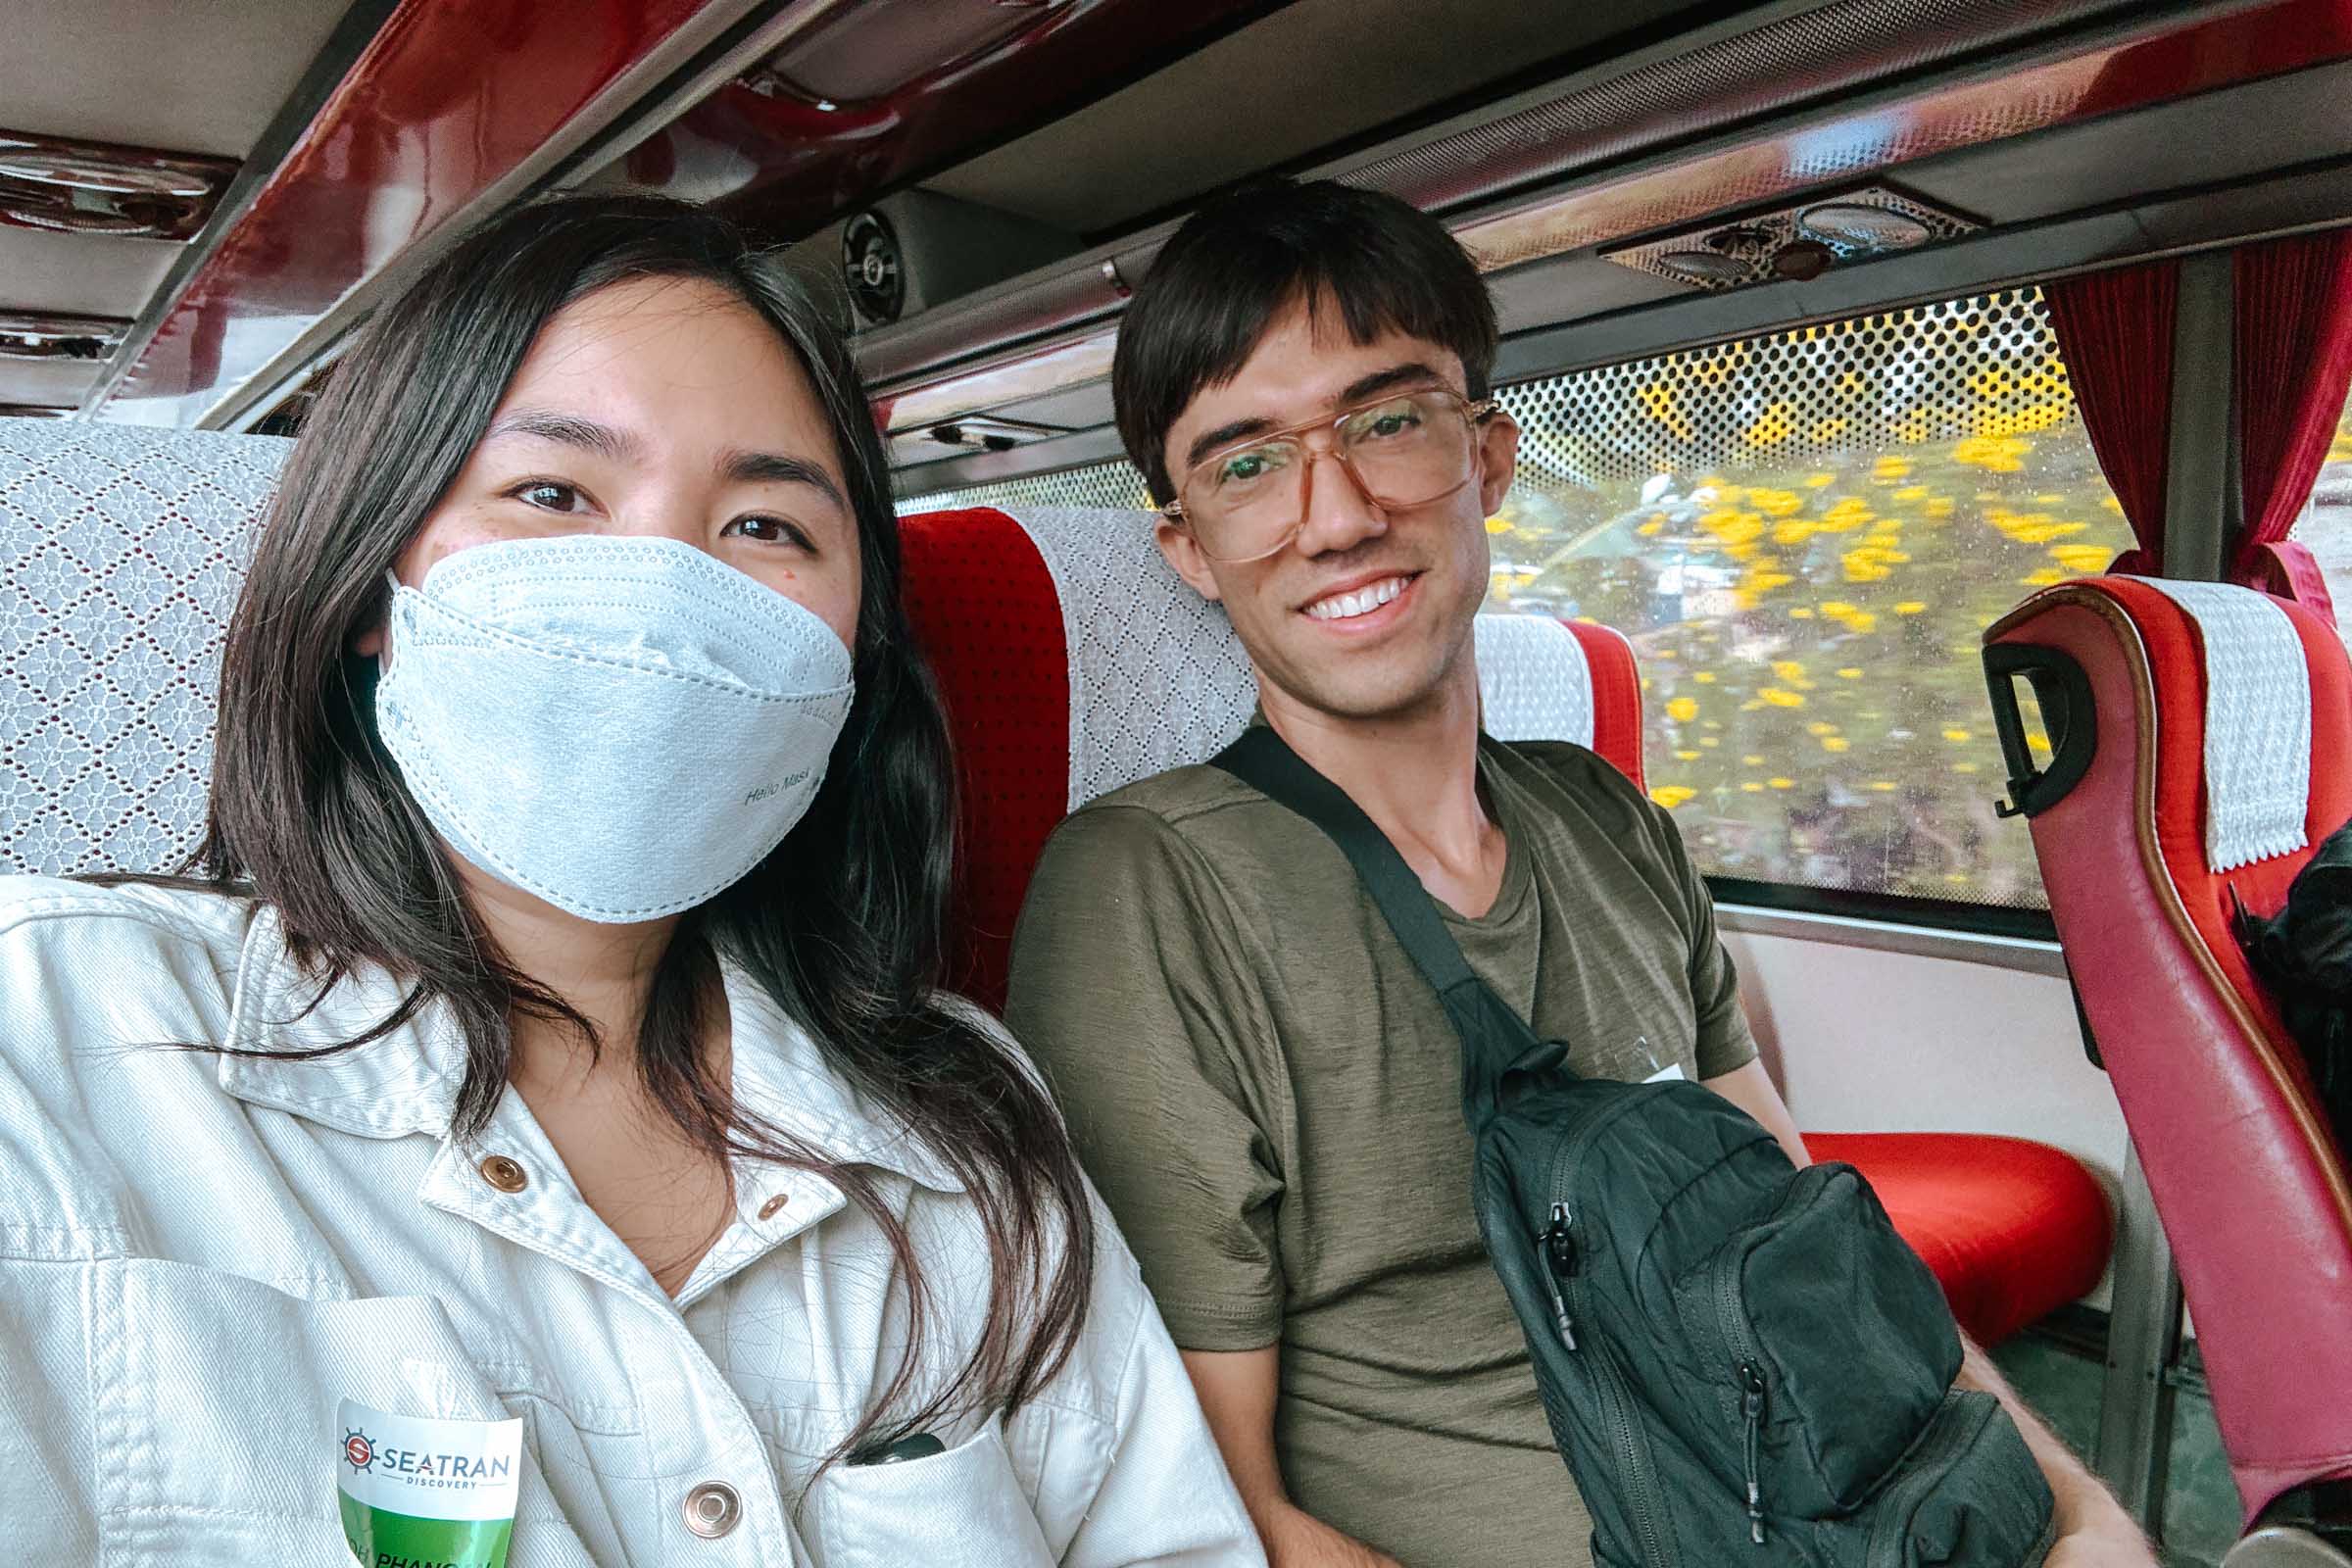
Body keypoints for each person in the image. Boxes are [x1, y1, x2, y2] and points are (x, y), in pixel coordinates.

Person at [0, 195, 1260, 1567]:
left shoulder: (967, 1125)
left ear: (850, 666)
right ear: (373, 585)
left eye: (768, 525)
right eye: (553, 495)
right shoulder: (51, 1032)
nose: (661, 588)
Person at [1003, 177, 2150, 1568]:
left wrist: (2074, 1511)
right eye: (1246, 465)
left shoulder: (1611, 824)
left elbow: (1820, 1263)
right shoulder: (1148, 895)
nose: (1337, 516)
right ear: (1188, 547)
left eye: (1387, 421)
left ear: (1488, 458)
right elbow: (1229, 1522)